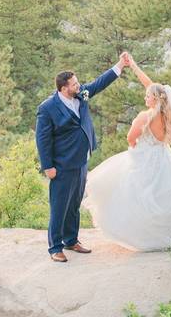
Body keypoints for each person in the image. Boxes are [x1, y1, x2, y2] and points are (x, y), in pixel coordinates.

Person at [82, 54, 171, 251]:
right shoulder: (167, 111)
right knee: (170, 194)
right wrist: (134, 66)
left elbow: (131, 138)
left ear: (154, 99)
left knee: (134, 193)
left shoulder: (145, 116)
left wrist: (135, 147)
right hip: (164, 156)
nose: (144, 96)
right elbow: (152, 86)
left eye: (147, 96)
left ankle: (145, 236)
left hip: (145, 157)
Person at [35, 51, 131, 263]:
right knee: (59, 205)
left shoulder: (82, 94)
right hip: (61, 165)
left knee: (74, 203)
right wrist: (48, 166)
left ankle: (71, 240)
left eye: (78, 83)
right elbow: (42, 140)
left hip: (81, 161)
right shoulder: (48, 108)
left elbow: (98, 83)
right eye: (74, 84)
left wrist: (120, 66)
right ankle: (55, 247)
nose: (79, 86)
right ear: (63, 88)